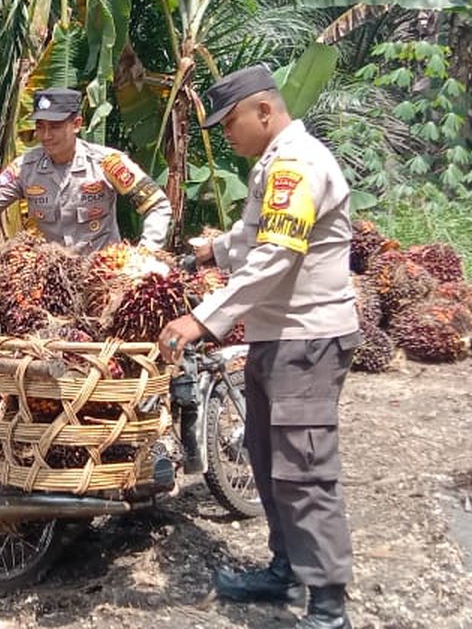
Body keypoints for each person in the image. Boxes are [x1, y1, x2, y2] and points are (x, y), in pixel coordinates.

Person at [156, 66, 360, 629]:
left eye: (231, 123)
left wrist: (203, 319)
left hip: (308, 338)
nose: (226, 136)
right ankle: (284, 568)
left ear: (264, 111)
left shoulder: (297, 164)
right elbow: (254, 237)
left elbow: (276, 257)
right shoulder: (274, 164)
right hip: (279, 335)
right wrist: (208, 254)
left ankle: (327, 605)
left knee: (304, 469)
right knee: (269, 460)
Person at [0, 87, 171, 253]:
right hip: (54, 282)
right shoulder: (24, 169)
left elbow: (157, 205)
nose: (46, 136)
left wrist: (145, 255)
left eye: (55, 126)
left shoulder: (107, 163)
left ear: (76, 124)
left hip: (104, 277)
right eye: (41, 127)